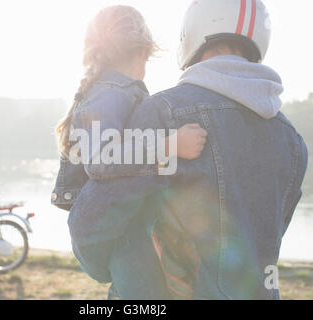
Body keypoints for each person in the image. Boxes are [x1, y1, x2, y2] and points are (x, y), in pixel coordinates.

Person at [118, 0, 308, 299]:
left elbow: (120, 217)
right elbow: (271, 234)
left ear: (192, 34)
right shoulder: (292, 140)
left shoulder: (163, 111)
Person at [52, 5, 207, 299]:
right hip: (121, 227)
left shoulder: (108, 92)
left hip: (123, 220)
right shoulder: (112, 93)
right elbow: (101, 160)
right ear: (141, 53)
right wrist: (169, 144)